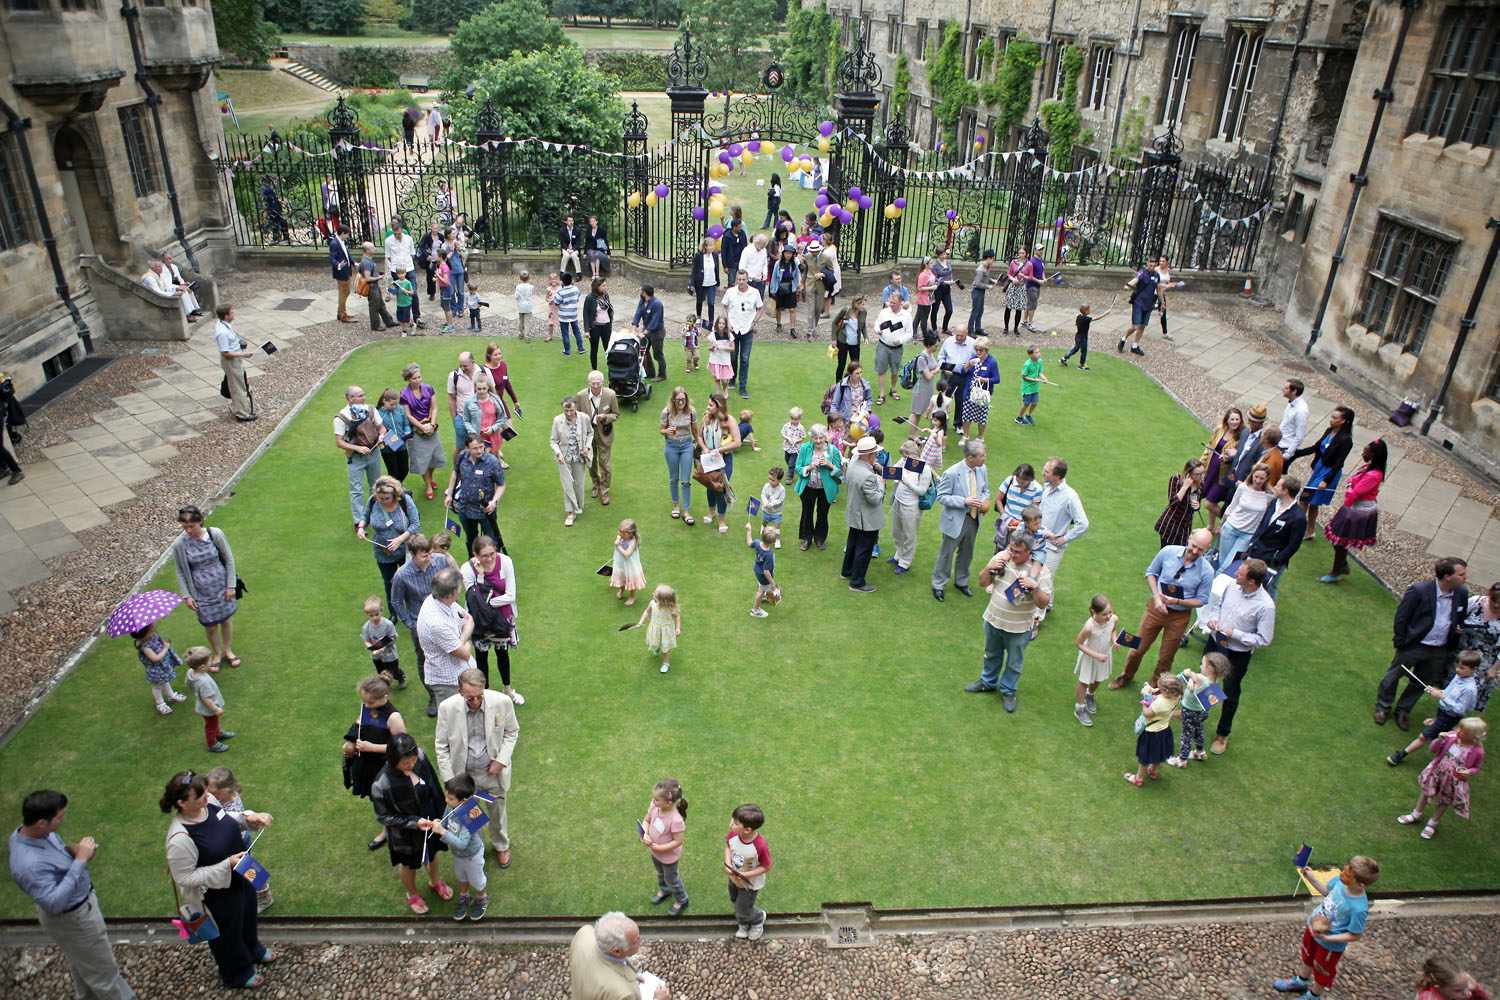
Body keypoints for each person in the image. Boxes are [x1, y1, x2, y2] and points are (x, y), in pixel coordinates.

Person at [10, 789, 138, 1000]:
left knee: (83, 966)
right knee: (105, 974)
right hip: (74, 919)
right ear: (42, 822)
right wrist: (80, 860)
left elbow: (55, 859)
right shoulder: (28, 865)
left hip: (74, 916)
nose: (64, 819)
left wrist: (73, 850)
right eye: (60, 817)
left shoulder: (35, 834)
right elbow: (54, 903)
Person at [161, 770, 274, 988]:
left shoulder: (210, 801)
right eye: (200, 794)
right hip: (218, 891)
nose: (207, 795)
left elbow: (225, 818)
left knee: (249, 913)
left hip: (245, 868)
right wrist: (227, 865)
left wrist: (248, 817)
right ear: (182, 803)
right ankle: (237, 973)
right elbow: (184, 877)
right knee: (227, 932)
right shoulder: (179, 839)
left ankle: (254, 950)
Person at [1108, 528, 1217, 689]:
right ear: (1189, 538)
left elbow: (1201, 600)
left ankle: (1156, 687)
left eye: (1200, 549)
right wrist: (1157, 598)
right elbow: (1151, 573)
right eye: (1193, 545)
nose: (1194, 551)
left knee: (1166, 656)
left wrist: (1178, 601)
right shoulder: (1168, 552)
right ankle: (1126, 675)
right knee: (1138, 648)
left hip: (1179, 617)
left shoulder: (1207, 571)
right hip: (1155, 608)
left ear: (1207, 549)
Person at [434, 667, 519, 870]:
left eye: (479, 696)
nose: (475, 702)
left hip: (492, 774)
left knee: (497, 811)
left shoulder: (502, 702)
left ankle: (501, 845)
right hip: (463, 777)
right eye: (469, 698)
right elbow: (441, 745)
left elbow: (511, 732)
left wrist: (501, 760)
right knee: (471, 814)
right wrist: (450, 780)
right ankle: (477, 847)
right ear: (459, 692)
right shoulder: (447, 708)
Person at [1376, 557, 1471, 730]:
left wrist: (1458, 630)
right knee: (1393, 676)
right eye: (1462, 574)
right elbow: (1402, 617)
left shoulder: (1462, 594)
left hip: (1440, 649)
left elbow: (1459, 618)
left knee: (1421, 682)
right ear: (1448, 576)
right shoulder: (1419, 591)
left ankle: (1403, 711)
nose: (1466, 578)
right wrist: (1401, 642)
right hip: (1414, 645)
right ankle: (1383, 707)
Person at [965, 530, 1053, 713]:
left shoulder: (1041, 572)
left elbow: (1043, 602)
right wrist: (989, 568)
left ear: (1029, 551)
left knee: (1014, 662)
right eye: (1011, 549)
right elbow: (982, 582)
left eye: (1017, 552)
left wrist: (1034, 587)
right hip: (993, 620)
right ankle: (987, 682)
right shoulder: (1002, 558)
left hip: (1019, 628)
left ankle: (1008, 690)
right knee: (990, 654)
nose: (1012, 554)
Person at [1272, 856, 1379, 1000]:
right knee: (1308, 957)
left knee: (1322, 970)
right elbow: (1327, 892)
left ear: (1361, 885)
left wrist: (1326, 938)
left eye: (1347, 875)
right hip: (1313, 929)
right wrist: (1311, 878)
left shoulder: (1359, 908)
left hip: (1330, 946)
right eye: (1344, 870)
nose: (1341, 875)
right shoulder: (1340, 881)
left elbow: (1355, 935)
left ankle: (1314, 996)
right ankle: (1301, 981)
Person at [1203, 557, 1278, 754]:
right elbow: (1218, 607)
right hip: (1215, 642)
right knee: (1206, 681)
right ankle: (1200, 712)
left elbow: (1264, 639)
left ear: (1252, 581)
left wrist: (1234, 634)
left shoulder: (1266, 606)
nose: (1236, 573)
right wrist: (1212, 620)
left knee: (1229, 692)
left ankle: (1222, 734)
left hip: (1236, 654)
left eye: (1241, 573)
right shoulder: (1231, 586)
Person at [369, 732, 450, 915]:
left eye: (413, 760)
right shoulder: (381, 784)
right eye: (406, 763)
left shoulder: (420, 755)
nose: (412, 765)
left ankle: (435, 882)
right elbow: (384, 817)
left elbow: (434, 785)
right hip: (405, 830)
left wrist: (441, 812)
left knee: (433, 852)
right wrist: (414, 822)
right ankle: (412, 893)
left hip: (429, 819)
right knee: (409, 863)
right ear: (392, 759)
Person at [389, 535, 454, 717]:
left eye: (430, 554)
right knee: (425, 660)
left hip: (445, 619)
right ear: (412, 554)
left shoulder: (440, 561)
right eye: (424, 556)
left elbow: (452, 583)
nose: (429, 558)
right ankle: (433, 695)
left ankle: (456, 688)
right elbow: (396, 602)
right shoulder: (402, 575)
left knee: (452, 652)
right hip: (420, 626)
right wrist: (410, 624)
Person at [1399, 715, 1489, 842]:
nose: (1458, 731)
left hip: (1454, 780)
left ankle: (1432, 823)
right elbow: (1433, 749)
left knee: (1444, 801)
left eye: (1463, 731)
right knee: (1426, 793)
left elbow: (1476, 767)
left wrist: (1469, 772)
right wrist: (1438, 740)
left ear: (1473, 736)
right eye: (1459, 728)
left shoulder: (1478, 751)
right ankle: (1416, 814)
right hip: (1437, 772)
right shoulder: (1451, 737)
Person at [342, 674, 406, 849]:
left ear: (384, 697)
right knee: (377, 799)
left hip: (386, 767)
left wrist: (371, 747)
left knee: (391, 800)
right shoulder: (367, 707)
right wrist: (350, 744)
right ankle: (386, 830)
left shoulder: (393, 717)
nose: (366, 706)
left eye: (370, 702)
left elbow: (402, 748)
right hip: (367, 766)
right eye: (364, 701)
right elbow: (358, 728)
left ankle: (400, 829)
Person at [172, 505, 240, 670]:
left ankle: (228, 651)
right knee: (210, 626)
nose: (188, 530)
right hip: (201, 591)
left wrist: (231, 585)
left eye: (191, 526)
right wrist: (187, 596)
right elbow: (181, 572)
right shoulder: (180, 544)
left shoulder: (214, 534)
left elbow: (229, 559)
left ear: (200, 521)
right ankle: (217, 654)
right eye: (185, 527)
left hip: (221, 585)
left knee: (226, 620)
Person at [458, 534, 522, 704]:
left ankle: (507, 689)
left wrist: (485, 604)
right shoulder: (466, 569)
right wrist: (480, 577)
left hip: (501, 618)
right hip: (479, 622)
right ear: (475, 555)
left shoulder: (505, 561)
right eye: (484, 556)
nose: (489, 559)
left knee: (502, 654)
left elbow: (510, 595)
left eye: (492, 554)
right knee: (481, 657)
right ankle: (483, 693)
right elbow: (472, 598)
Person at [1388, 651, 1481, 767]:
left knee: (1424, 736)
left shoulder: (1469, 689)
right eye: (1457, 666)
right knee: (1443, 738)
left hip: (1449, 717)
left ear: (1474, 669)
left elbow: (1461, 709)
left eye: (1462, 668)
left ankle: (1400, 755)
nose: (1458, 670)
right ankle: (1446, 760)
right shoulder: (1458, 677)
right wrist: (1437, 692)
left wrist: (1442, 697)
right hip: (1442, 713)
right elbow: (1449, 692)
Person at [420, 774, 490, 921]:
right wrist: (438, 823)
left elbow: (462, 844)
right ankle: (465, 898)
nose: (446, 800)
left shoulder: (470, 815)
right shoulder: (450, 806)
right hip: (458, 855)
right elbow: (445, 822)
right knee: (461, 876)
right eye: (447, 797)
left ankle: (482, 898)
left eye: (450, 799)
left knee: (477, 880)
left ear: (463, 801)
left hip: (472, 855)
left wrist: (443, 832)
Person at [1321, 439, 1387, 583]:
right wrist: (1351, 485)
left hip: (1359, 510)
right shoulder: (1367, 468)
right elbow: (1353, 481)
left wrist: (1350, 486)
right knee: (1337, 535)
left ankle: (1336, 572)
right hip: (1354, 507)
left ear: (1373, 455)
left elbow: (1355, 491)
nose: (1363, 453)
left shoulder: (1374, 474)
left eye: (1366, 451)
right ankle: (1342, 565)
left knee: (1341, 539)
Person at [931, 439, 990, 602]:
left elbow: (985, 490)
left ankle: (961, 581)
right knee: (946, 554)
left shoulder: (981, 469)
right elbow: (941, 497)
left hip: (973, 519)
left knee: (967, 552)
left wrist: (985, 501)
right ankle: (938, 584)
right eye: (981, 456)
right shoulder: (951, 473)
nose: (984, 458)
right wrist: (964, 501)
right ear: (970, 458)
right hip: (955, 520)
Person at [570, 912, 672, 1000]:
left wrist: (629, 975)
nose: (641, 940)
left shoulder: (585, 932)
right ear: (617, 951)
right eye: (635, 941)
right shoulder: (622, 994)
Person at [358, 475, 421, 612]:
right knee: (389, 583)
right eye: (381, 498)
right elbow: (365, 516)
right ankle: (394, 612)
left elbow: (415, 525)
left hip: (406, 550)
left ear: (395, 494)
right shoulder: (373, 501)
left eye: (387, 498)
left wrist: (400, 539)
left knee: (410, 581)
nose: (384, 501)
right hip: (383, 551)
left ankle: (413, 609)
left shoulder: (405, 501)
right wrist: (361, 527)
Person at [416, 567, 477, 707]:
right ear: (453, 593)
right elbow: (464, 653)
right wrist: (465, 638)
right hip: (448, 682)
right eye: (459, 587)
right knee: (454, 722)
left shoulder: (441, 601)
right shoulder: (436, 623)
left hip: (460, 673)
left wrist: (460, 640)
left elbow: (469, 619)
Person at [1244, 474, 1306, 600]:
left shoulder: (1298, 517)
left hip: (1272, 560)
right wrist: (1253, 542)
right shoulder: (1274, 503)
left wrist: (1277, 559)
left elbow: (1294, 545)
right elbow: (1262, 525)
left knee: (1269, 589)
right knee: (1250, 582)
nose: (1274, 488)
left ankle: (1267, 615)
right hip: (1257, 551)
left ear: (1285, 491)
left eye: (1278, 485)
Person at [841, 436, 886, 593]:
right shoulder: (867, 475)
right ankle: (857, 582)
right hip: (866, 518)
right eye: (875, 454)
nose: (877, 456)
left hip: (855, 513)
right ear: (868, 456)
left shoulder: (853, 463)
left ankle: (846, 571)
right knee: (864, 549)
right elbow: (875, 499)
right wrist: (881, 484)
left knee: (853, 543)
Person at [335, 385, 385, 525]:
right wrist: (357, 448)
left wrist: (381, 436)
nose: (364, 398)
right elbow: (339, 442)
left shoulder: (370, 410)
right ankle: (359, 521)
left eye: (364, 395)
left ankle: (376, 514)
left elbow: (382, 428)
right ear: (350, 399)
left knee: (376, 486)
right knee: (356, 490)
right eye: (360, 396)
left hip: (373, 452)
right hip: (355, 458)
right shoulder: (341, 417)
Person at [1123, 673, 1185, 786]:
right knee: (1158, 753)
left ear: (1165, 691)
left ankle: (1138, 778)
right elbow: (1160, 694)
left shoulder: (1160, 703)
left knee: (1145, 756)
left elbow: (1147, 713)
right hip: (1164, 730)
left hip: (1152, 733)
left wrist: (1145, 697)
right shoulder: (1177, 696)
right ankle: (1153, 771)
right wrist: (1153, 690)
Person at [1035, 457, 1090, 581]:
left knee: (1044, 582)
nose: (1042, 473)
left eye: (1046, 471)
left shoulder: (1070, 496)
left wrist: (1064, 539)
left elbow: (1083, 524)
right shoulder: (1047, 487)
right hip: (1036, 541)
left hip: (1052, 548)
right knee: (1031, 578)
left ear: (1057, 476)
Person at [725, 803, 772, 941]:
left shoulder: (759, 846)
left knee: (742, 908)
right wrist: (728, 864)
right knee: (734, 900)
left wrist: (745, 875)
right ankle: (744, 922)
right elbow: (728, 847)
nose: (730, 825)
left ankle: (757, 919)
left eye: (734, 822)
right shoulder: (733, 834)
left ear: (747, 830)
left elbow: (766, 866)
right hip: (734, 878)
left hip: (749, 884)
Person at [888, 438, 935, 576]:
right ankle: (898, 555)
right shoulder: (904, 461)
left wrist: (906, 481)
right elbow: (893, 470)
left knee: (909, 535)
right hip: (898, 501)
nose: (904, 458)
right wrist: (881, 469)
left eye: (906, 456)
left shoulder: (924, 469)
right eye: (903, 455)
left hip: (911, 506)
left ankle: (905, 562)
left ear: (915, 454)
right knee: (896, 531)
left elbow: (921, 490)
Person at [697, 393, 742, 532]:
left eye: (710, 405)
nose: (708, 407)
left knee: (721, 487)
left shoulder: (729, 421)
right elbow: (698, 435)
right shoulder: (706, 418)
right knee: (709, 485)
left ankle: (722, 520)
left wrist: (719, 450)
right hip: (708, 459)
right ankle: (712, 512)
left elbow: (737, 442)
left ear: (719, 407)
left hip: (724, 460)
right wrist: (705, 448)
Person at [399, 363, 445, 501]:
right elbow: (408, 415)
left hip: (431, 427)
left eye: (419, 377)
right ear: (408, 379)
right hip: (417, 430)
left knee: (435, 457)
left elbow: (435, 408)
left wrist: (431, 425)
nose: (418, 380)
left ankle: (431, 476)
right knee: (422, 460)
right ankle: (428, 485)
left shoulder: (428, 388)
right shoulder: (404, 394)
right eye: (414, 378)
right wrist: (422, 427)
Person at [794, 424, 843, 551]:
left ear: (825, 436)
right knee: (807, 513)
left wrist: (829, 465)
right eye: (815, 438)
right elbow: (798, 468)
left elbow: (838, 472)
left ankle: (820, 538)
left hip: (825, 489)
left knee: (823, 514)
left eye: (821, 438)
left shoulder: (833, 450)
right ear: (812, 437)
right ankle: (807, 538)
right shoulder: (805, 448)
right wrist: (809, 467)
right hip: (808, 487)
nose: (818, 441)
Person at [1217, 463, 1275, 569]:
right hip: (1230, 528)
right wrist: (1221, 525)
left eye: (1261, 478)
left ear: (1267, 479)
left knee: (1229, 565)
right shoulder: (1243, 487)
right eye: (1256, 476)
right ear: (1252, 475)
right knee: (1221, 561)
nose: (1257, 480)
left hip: (1247, 535)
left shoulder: (1270, 495)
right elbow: (1232, 506)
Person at [1072, 594, 1117, 727]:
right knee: (1084, 682)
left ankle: (1090, 695)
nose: (1108, 616)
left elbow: (1113, 630)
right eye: (1104, 614)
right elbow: (1079, 644)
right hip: (1090, 656)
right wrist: (1096, 655)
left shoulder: (1114, 619)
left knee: (1098, 678)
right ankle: (1079, 708)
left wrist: (1115, 640)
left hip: (1104, 654)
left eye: (1110, 612)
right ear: (1094, 611)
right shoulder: (1089, 627)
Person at [1200, 408, 1245, 533]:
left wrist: (1229, 457)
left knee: (1209, 503)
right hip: (1212, 471)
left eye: (1237, 419)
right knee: (1210, 497)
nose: (1235, 422)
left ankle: (1231, 523)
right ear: (1227, 419)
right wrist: (1202, 463)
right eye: (1232, 419)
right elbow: (1210, 445)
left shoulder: (1241, 436)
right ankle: (1210, 526)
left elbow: (1239, 455)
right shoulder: (1220, 429)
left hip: (1224, 474)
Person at [551, 396, 594, 526]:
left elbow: (590, 433)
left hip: (579, 456)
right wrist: (558, 453)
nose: (568, 413)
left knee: (579, 484)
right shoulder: (558, 420)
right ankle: (571, 512)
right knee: (568, 485)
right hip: (564, 458)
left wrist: (587, 447)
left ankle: (579, 505)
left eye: (571, 410)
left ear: (575, 408)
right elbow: (553, 441)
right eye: (566, 410)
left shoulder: (584, 418)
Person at [1460, 582, 1500, 714]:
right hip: (1461, 653)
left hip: (1482, 662)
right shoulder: (1475, 602)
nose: (1496, 605)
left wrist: (1495, 668)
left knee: (1467, 694)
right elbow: (1458, 618)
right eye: (1494, 600)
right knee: (1452, 688)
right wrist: (1459, 628)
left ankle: (1452, 727)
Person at [722, 270, 763, 399]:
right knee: (733, 356)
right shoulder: (730, 292)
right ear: (736, 280)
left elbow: (760, 308)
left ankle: (743, 387)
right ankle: (733, 378)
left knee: (745, 359)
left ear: (747, 280)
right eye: (739, 279)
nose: (741, 282)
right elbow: (724, 306)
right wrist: (727, 322)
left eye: (743, 279)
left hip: (747, 330)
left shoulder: (754, 293)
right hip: (734, 329)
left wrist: (754, 322)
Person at [131, 619, 186, 714]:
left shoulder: (153, 636)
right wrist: (165, 649)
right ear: (145, 633)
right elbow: (155, 658)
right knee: (157, 686)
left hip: (162, 666)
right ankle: (160, 703)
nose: (153, 627)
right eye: (151, 627)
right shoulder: (145, 647)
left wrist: (163, 643)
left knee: (164, 680)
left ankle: (171, 695)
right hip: (156, 669)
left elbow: (161, 644)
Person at [213, 305, 255, 423]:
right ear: (226, 316)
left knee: (236, 385)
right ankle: (242, 414)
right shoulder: (222, 332)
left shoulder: (225, 326)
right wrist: (243, 355)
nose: (233, 313)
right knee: (238, 387)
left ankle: (238, 408)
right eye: (231, 312)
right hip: (231, 362)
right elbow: (225, 352)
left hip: (235, 359)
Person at [1155, 459, 1206, 549]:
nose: (1201, 476)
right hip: (1171, 524)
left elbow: (1196, 506)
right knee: (1166, 552)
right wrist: (1185, 487)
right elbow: (1173, 502)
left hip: (1185, 527)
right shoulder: (1176, 479)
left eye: (1203, 473)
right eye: (1198, 474)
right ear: (1189, 473)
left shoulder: (1201, 485)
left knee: (1180, 553)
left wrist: (1197, 506)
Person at [462, 371, 510, 466]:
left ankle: (499, 461)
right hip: (478, 435)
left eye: (484, 388)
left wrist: (493, 428)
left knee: (494, 452)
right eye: (479, 389)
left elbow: (502, 418)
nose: (482, 391)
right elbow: (466, 420)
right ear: (475, 388)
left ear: (488, 387)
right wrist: (473, 432)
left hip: (492, 433)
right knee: (480, 458)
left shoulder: (495, 400)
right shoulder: (469, 402)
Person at [384, 216, 424, 331]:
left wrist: (406, 265)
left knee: (413, 292)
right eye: (395, 234)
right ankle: (404, 318)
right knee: (400, 294)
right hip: (396, 269)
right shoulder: (388, 241)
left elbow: (412, 253)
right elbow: (389, 257)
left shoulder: (408, 239)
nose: (397, 236)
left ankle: (417, 316)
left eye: (399, 233)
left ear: (402, 230)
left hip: (408, 268)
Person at [632, 582, 681, 673]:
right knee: (656, 641)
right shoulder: (652, 603)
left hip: (666, 630)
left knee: (665, 648)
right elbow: (647, 612)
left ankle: (666, 663)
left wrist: (678, 628)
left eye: (656, 596)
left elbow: (677, 616)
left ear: (664, 601)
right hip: (655, 628)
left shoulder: (670, 608)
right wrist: (640, 622)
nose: (653, 596)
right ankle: (657, 647)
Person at [873, 294, 912, 405]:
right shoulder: (884, 312)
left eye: (894, 303)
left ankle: (893, 389)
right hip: (883, 345)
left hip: (897, 348)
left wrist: (900, 340)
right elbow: (876, 325)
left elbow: (909, 332)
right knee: (881, 370)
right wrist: (878, 331)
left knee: (895, 370)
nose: (891, 305)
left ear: (900, 302)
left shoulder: (906, 315)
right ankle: (881, 395)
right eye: (890, 302)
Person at [1119, 257, 1160, 356]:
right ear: (1147, 264)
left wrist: (1161, 302)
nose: (1152, 267)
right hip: (1139, 302)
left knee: (1142, 326)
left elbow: (1159, 289)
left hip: (1149, 304)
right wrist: (1128, 285)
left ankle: (1135, 346)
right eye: (1150, 265)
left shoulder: (1157, 275)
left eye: (1154, 266)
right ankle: (1124, 338)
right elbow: (1135, 280)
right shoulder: (1142, 273)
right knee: (1135, 326)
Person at [1058, 297, 1114, 369]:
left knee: (1075, 349)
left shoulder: (1079, 316)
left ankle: (1064, 358)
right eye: (1089, 309)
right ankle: (1082, 365)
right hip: (1083, 338)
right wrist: (1105, 313)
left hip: (1078, 336)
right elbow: (1096, 318)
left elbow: (1076, 323)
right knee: (1084, 352)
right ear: (1086, 311)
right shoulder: (1086, 319)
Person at [935, 327, 976, 421]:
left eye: (961, 336)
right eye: (957, 335)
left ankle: (958, 424)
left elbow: (975, 360)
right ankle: (940, 421)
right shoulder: (948, 341)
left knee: (961, 400)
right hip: (947, 375)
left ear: (966, 334)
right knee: (944, 399)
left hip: (963, 376)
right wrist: (945, 368)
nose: (959, 338)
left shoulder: (972, 343)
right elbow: (941, 357)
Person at [446, 352, 479, 465]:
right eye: (460, 365)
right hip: (461, 418)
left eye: (465, 365)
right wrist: (455, 418)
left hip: (480, 418)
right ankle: (457, 471)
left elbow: (492, 392)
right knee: (460, 446)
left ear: (473, 363)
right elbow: (451, 398)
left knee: (480, 446)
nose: (462, 368)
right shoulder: (454, 376)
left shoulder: (483, 372)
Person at [631, 285, 668, 381]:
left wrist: (645, 332)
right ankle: (649, 372)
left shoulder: (657, 304)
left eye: (641, 291)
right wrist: (634, 329)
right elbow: (638, 314)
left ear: (644, 293)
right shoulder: (642, 301)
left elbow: (655, 321)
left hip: (657, 332)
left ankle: (662, 375)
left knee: (658, 354)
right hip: (646, 329)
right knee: (644, 351)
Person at [358, 243, 398, 332]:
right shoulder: (366, 262)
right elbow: (368, 278)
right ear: (367, 250)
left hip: (375, 286)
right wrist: (379, 277)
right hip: (372, 287)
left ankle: (389, 321)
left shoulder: (368, 259)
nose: (375, 249)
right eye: (372, 248)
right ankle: (376, 325)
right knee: (375, 306)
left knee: (381, 305)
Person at [377, 387, 412, 485]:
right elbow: (378, 430)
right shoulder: (379, 414)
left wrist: (407, 432)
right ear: (384, 401)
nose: (394, 406)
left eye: (395, 404)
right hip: (388, 449)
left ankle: (397, 486)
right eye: (391, 404)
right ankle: (397, 490)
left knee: (404, 470)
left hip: (402, 445)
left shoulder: (399, 409)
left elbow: (406, 423)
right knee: (393, 473)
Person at [745, 521, 780, 617]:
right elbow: (766, 571)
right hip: (763, 575)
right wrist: (773, 584)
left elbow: (749, 543)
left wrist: (749, 531)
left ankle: (764, 593)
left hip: (757, 568)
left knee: (761, 584)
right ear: (773, 541)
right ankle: (755, 610)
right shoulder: (769, 555)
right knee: (761, 591)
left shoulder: (757, 542)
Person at [1415, 955, 1489, 1000]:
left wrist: (1476, 990)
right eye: (1458, 990)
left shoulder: (1456, 993)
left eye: (1466, 986)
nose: (1467, 993)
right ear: (1438, 987)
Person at [582, 277, 614, 371]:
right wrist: (587, 330)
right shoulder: (590, 298)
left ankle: (612, 369)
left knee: (608, 348)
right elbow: (585, 314)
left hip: (606, 325)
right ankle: (594, 370)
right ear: (597, 286)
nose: (605, 287)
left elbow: (609, 309)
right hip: (595, 327)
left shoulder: (605, 295)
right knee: (594, 349)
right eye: (603, 285)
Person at [967, 249, 999, 336]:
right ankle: (970, 330)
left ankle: (978, 328)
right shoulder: (981, 269)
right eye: (992, 259)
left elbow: (985, 278)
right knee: (975, 311)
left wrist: (992, 280)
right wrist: (988, 286)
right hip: (977, 292)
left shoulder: (986, 267)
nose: (993, 261)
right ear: (988, 258)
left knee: (980, 310)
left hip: (981, 292)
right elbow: (977, 283)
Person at [691, 237, 720, 324]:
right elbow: (694, 270)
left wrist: (718, 283)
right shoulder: (699, 256)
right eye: (711, 246)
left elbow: (717, 269)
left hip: (711, 283)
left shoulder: (715, 255)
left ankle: (711, 321)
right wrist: (692, 283)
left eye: (713, 245)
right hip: (701, 283)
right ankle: (699, 317)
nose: (713, 247)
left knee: (711, 303)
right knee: (699, 301)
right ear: (706, 246)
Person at [1020, 242, 1047, 333]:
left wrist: (1044, 278)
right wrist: (1038, 280)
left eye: (1042, 249)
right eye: (1039, 250)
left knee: (1030, 304)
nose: (1041, 251)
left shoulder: (1042, 261)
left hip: (1037, 285)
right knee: (1033, 305)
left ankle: (1024, 320)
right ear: (1035, 250)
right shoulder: (1032, 262)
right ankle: (1030, 323)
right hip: (1031, 285)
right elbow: (1028, 275)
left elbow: (1042, 271)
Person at [1279, 378, 1310, 458]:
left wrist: (1287, 455)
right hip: (1279, 443)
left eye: (1286, 388)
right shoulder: (1291, 403)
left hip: (1285, 447)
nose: (1283, 389)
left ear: (1294, 392)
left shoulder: (1301, 411)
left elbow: (1299, 437)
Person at [930, 248, 958, 333]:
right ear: (938, 255)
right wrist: (944, 281)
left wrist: (951, 280)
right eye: (941, 255)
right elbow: (934, 278)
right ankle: (934, 329)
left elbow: (950, 273)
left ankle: (945, 328)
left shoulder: (948, 262)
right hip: (938, 289)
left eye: (944, 254)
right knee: (935, 309)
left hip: (947, 289)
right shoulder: (935, 265)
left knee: (949, 310)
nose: (944, 256)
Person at [556, 272, 583, 356]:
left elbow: (556, 302)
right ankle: (580, 348)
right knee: (576, 331)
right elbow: (578, 297)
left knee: (565, 333)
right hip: (573, 314)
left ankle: (567, 350)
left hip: (563, 315)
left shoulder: (560, 291)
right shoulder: (575, 289)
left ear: (562, 281)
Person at [914, 258, 937, 338]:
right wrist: (931, 288)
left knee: (919, 315)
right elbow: (920, 288)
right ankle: (925, 334)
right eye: (931, 263)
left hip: (928, 297)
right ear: (926, 264)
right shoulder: (922, 275)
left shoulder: (929, 272)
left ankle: (914, 332)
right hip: (923, 299)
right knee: (924, 317)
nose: (933, 264)